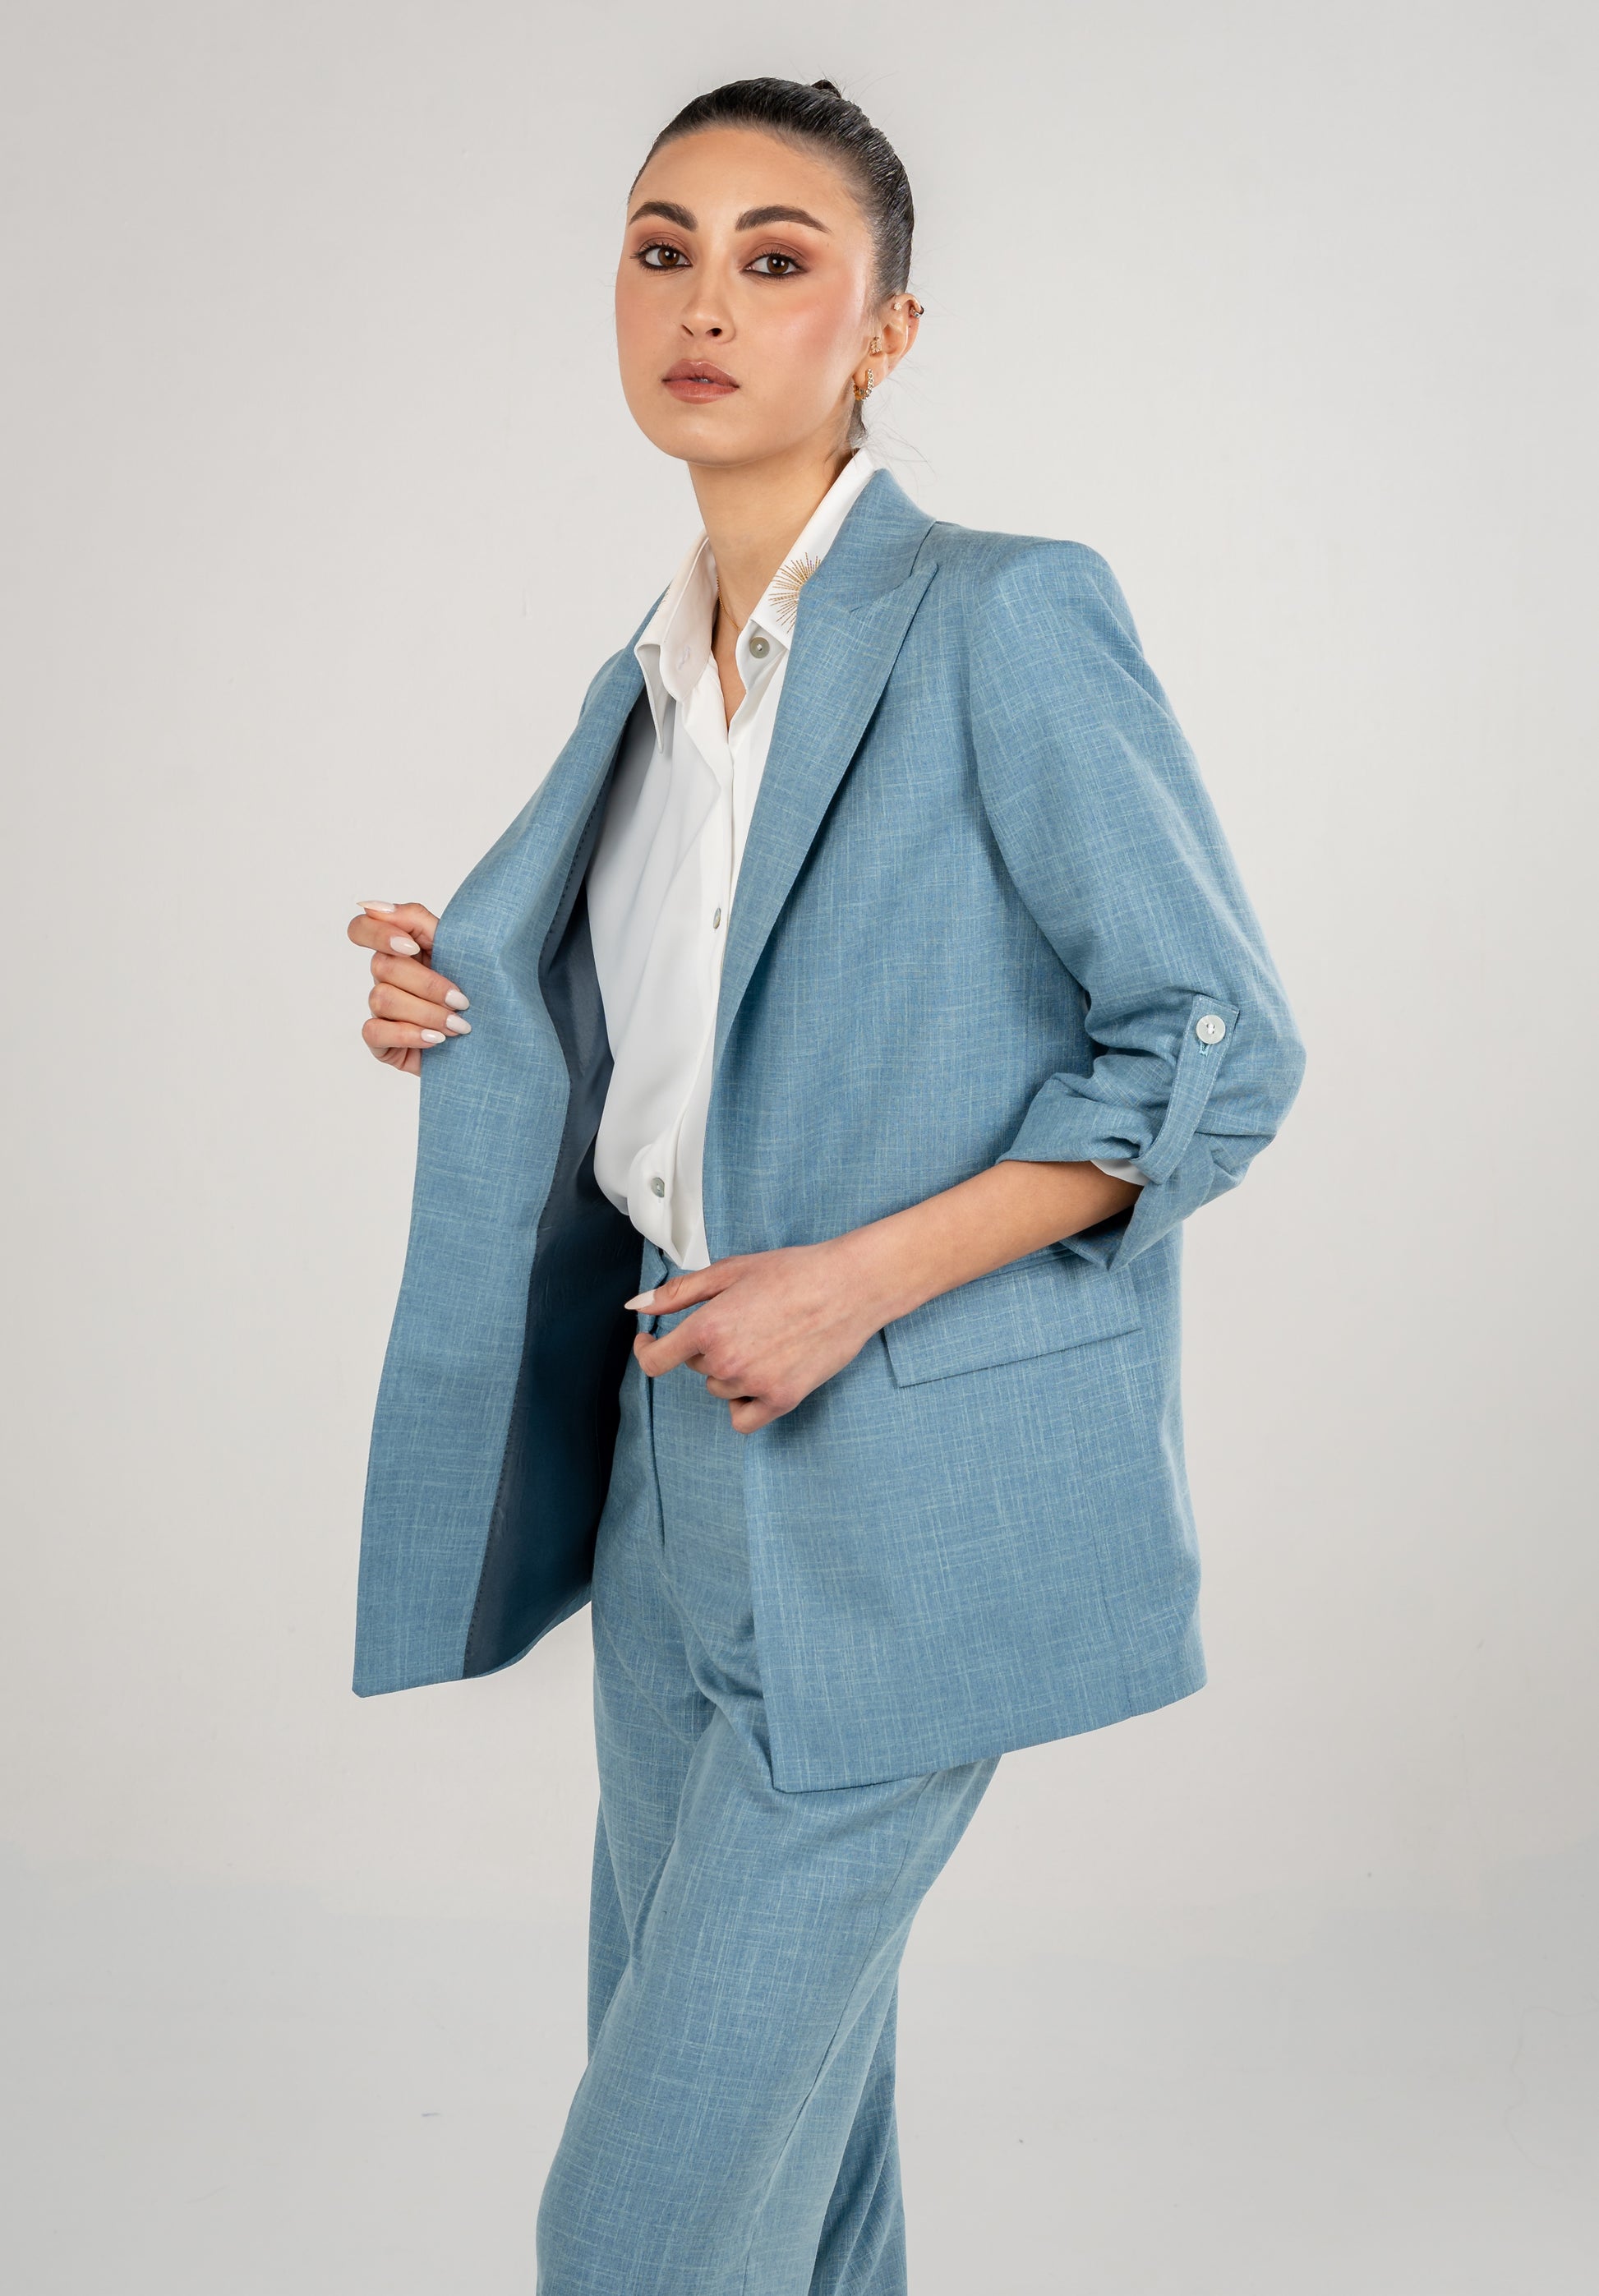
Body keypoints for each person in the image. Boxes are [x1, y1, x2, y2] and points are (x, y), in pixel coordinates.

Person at [345, 75, 1306, 2296]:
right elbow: (701, 1042)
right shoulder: (650, 682)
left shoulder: (999, 616)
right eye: (661, 248)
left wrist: (853, 1280)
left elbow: (1214, 1042)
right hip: (666, 1466)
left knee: (639, 2224)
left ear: (883, 332)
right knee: (796, 2161)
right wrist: (458, 997)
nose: (704, 301)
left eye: (775, 260)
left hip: (896, 1493)